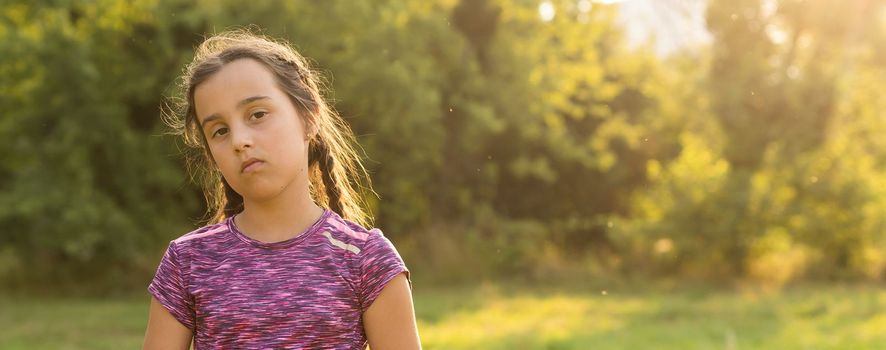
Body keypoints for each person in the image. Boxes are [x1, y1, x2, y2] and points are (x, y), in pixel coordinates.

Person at [142, 30, 421, 349]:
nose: (239, 140)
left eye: (257, 114)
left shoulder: (367, 260)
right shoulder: (187, 262)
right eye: (220, 130)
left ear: (309, 116)